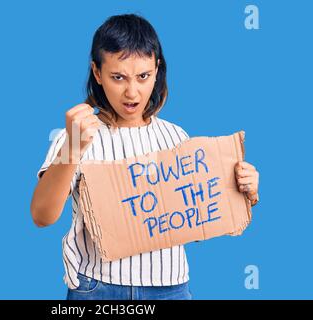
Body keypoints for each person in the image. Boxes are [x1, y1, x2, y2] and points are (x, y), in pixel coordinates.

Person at [30, 14, 260, 300]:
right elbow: (42, 216)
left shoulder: (176, 138)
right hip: (97, 287)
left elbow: (194, 217)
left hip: (170, 288)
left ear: (157, 69)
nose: (132, 91)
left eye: (143, 76)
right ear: (97, 73)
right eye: (118, 77)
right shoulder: (76, 135)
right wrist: (72, 149)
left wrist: (241, 188)